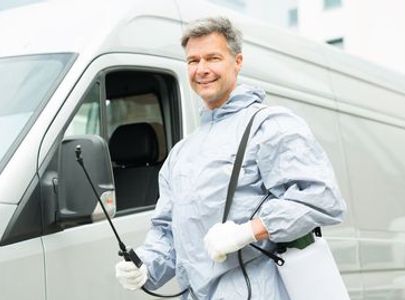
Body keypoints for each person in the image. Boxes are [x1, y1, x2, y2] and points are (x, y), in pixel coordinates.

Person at [114, 16, 346, 299]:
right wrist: (145, 265)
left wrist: (250, 231)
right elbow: (168, 233)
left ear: (237, 62)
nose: (202, 69)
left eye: (213, 58)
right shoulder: (180, 155)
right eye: (193, 61)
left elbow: (322, 198)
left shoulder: (269, 126)